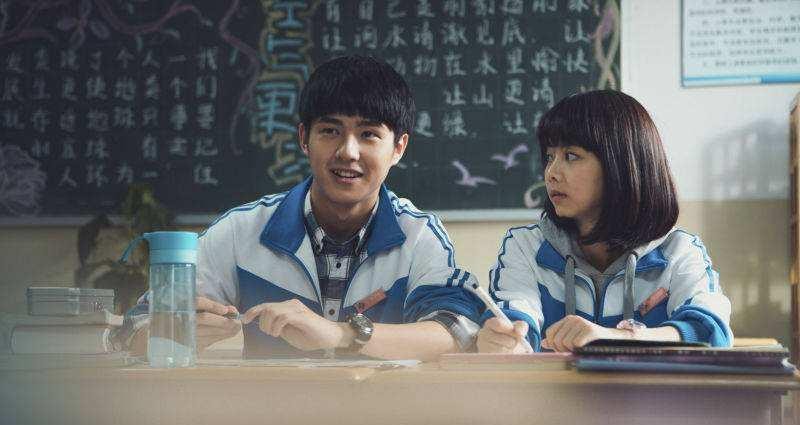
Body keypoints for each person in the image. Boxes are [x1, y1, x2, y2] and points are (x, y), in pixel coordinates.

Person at [129, 55, 481, 360]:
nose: (348, 152)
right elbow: (133, 326)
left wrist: (341, 334)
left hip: (382, 415)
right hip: (269, 416)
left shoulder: (418, 235)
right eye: (330, 131)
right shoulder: (241, 231)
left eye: (368, 134)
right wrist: (175, 330)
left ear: (398, 148)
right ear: (303, 139)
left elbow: (456, 332)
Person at [477, 90, 732, 353]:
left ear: (621, 164)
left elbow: (710, 332)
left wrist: (616, 338)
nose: (551, 173)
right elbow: (517, 319)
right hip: (553, 383)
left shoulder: (678, 251)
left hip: (650, 383)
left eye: (571, 156)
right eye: (550, 157)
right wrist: (504, 339)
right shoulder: (525, 246)